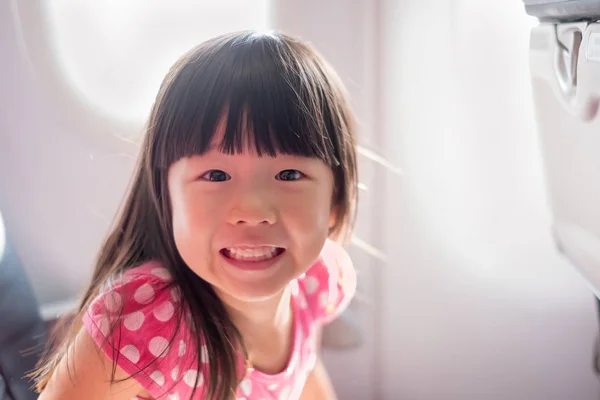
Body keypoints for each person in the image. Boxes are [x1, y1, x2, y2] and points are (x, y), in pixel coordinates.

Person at [31, 30, 358, 400]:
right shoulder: (145, 322)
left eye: (289, 175)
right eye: (216, 175)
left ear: (335, 203)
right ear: (166, 198)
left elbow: (307, 373)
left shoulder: (319, 278)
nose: (253, 212)